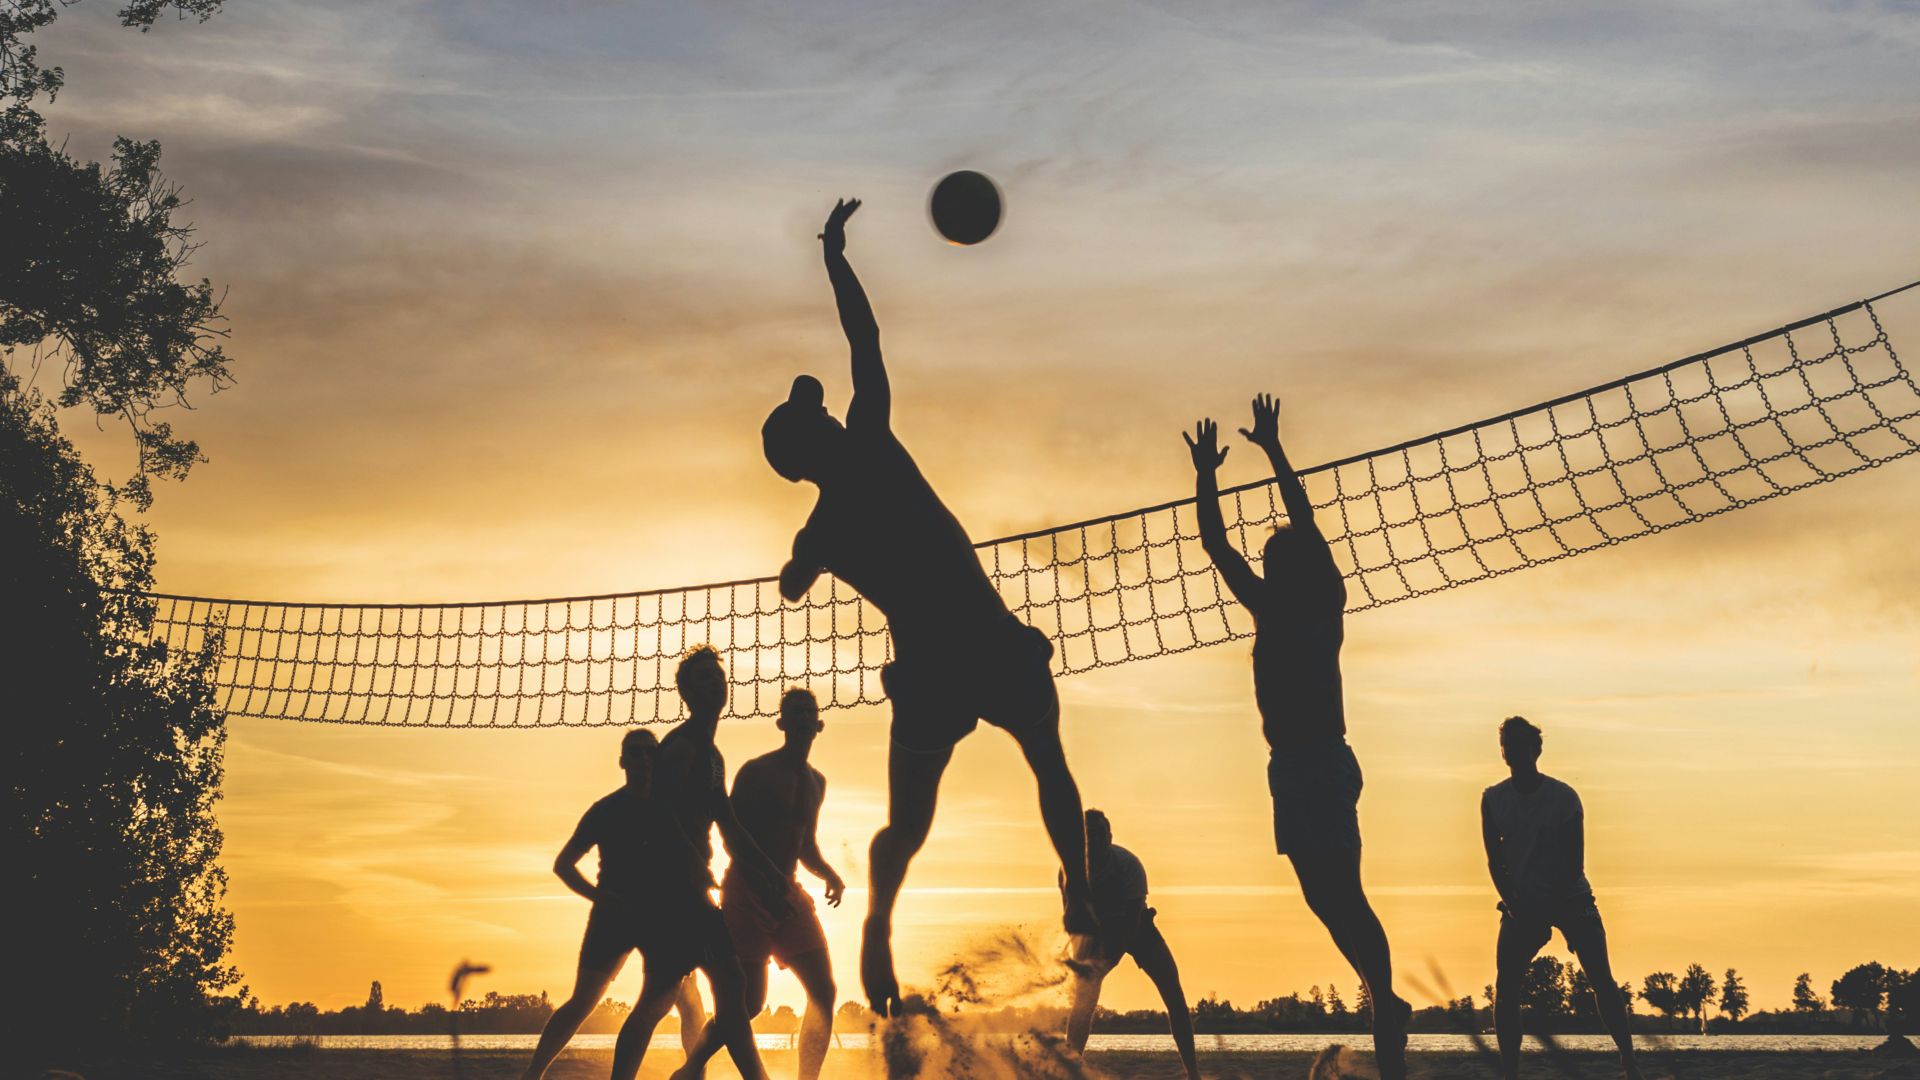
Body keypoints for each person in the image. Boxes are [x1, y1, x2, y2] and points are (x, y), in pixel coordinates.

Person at [760, 198, 1097, 1016]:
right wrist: (836, 258)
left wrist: (804, 558)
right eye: (817, 412)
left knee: (907, 829)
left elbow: (790, 586)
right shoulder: (868, 438)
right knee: (1047, 762)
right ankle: (1078, 893)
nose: (830, 407)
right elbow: (864, 340)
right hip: (984, 641)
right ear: (819, 436)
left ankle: (877, 922)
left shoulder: (823, 524)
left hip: (928, 671)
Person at [1182, 397, 1411, 1080]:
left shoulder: (1309, 603)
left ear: (1287, 567)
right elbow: (1224, 546)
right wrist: (1223, 468)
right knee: (1322, 895)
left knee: (1344, 888)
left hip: (1317, 760)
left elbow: (1272, 533)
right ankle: (1382, 991)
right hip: (1291, 765)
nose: (1264, 560)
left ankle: (1385, 1000)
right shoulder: (1280, 605)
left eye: (1272, 556)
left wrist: (1251, 460)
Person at [602, 647, 790, 1080]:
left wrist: (770, 874)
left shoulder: (713, 757)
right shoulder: (682, 748)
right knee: (670, 996)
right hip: (670, 891)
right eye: (704, 678)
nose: (715, 683)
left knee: (714, 990)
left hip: (691, 893)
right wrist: (688, 858)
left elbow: (730, 826)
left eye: (718, 676)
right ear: (686, 692)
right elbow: (659, 813)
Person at [674, 688, 846, 1080]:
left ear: (818, 724)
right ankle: (691, 1068)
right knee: (749, 1003)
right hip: (747, 891)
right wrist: (763, 881)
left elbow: (806, 846)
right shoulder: (757, 771)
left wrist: (829, 873)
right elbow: (732, 836)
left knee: (824, 991)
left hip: (788, 891)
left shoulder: (817, 782)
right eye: (794, 712)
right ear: (782, 723)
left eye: (809, 712)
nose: (803, 718)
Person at [519, 729, 710, 1080]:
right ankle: (532, 1076)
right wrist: (599, 896)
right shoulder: (605, 810)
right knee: (583, 1001)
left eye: (650, 752)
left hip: (665, 916)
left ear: (659, 760)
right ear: (622, 761)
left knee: (689, 998)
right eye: (635, 753)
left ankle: (695, 1072)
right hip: (614, 916)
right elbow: (564, 864)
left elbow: (694, 855)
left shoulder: (675, 808)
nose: (643, 759)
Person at [1482, 717, 1645, 1080]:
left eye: (1521, 745)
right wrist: (1514, 905)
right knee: (1506, 984)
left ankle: (1629, 1061)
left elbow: (1574, 863)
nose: (1514, 752)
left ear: (1536, 749)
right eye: (1507, 745)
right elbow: (1495, 862)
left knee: (1601, 979)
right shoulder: (1493, 800)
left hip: (1570, 898)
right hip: (1520, 903)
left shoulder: (1564, 797)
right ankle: (1510, 1070)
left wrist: (1548, 906)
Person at [1061, 810, 1200, 1080]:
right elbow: (1072, 919)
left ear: (1110, 837)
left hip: (1137, 929)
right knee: (1083, 1001)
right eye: (1088, 837)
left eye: (1100, 835)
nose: (1095, 841)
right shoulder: (1068, 872)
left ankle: (1193, 1073)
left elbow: (1132, 924)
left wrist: (1111, 957)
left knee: (1174, 994)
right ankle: (1071, 1071)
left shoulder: (1128, 865)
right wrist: (1084, 963)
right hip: (1096, 935)